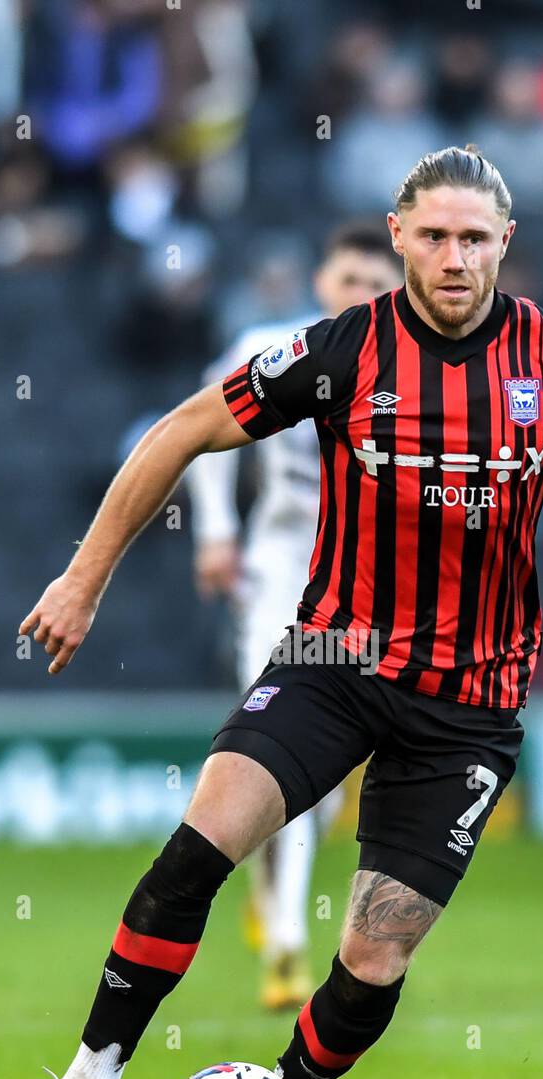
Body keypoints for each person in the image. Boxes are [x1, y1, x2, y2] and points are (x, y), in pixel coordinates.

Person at [0, 145, 543, 1079]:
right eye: (431, 235)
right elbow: (179, 430)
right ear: (397, 238)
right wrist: (82, 580)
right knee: (194, 851)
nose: (452, 257)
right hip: (331, 658)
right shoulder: (340, 351)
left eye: (473, 238)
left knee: (372, 955)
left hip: (468, 704)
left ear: (503, 245)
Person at [188, 222, 402, 1009]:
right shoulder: (276, 347)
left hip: (378, 588)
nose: (359, 296)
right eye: (348, 280)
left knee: (339, 772)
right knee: (280, 758)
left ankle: (271, 890)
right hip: (282, 575)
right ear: (323, 283)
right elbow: (198, 430)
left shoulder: (413, 369)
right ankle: (285, 945)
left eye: (374, 285)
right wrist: (214, 532)